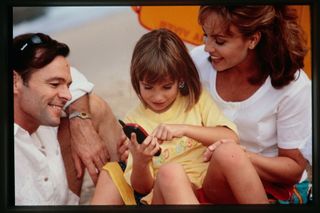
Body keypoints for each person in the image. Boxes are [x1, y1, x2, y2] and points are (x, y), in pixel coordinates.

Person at [189, 5, 311, 204]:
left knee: (227, 155)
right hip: (211, 178)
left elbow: (294, 170)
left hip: (273, 186)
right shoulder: (198, 61)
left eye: (220, 41)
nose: (208, 47)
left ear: (253, 40)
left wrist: (237, 158)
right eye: (206, 35)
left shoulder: (293, 85)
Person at [121, 28, 240, 205]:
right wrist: (141, 161)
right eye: (148, 87)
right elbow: (142, 188)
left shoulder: (195, 99)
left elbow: (231, 138)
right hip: (166, 194)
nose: (158, 97)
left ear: (181, 79)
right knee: (171, 172)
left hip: (207, 186)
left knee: (231, 152)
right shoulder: (134, 119)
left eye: (167, 87)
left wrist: (184, 129)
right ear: (137, 81)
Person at [13, 32, 126, 205]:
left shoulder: (42, 109)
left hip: (63, 198)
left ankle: (128, 184)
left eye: (67, 85)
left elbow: (76, 77)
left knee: (92, 106)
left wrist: (80, 120)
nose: (67, 94)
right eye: (54, 84)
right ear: (15, 82)